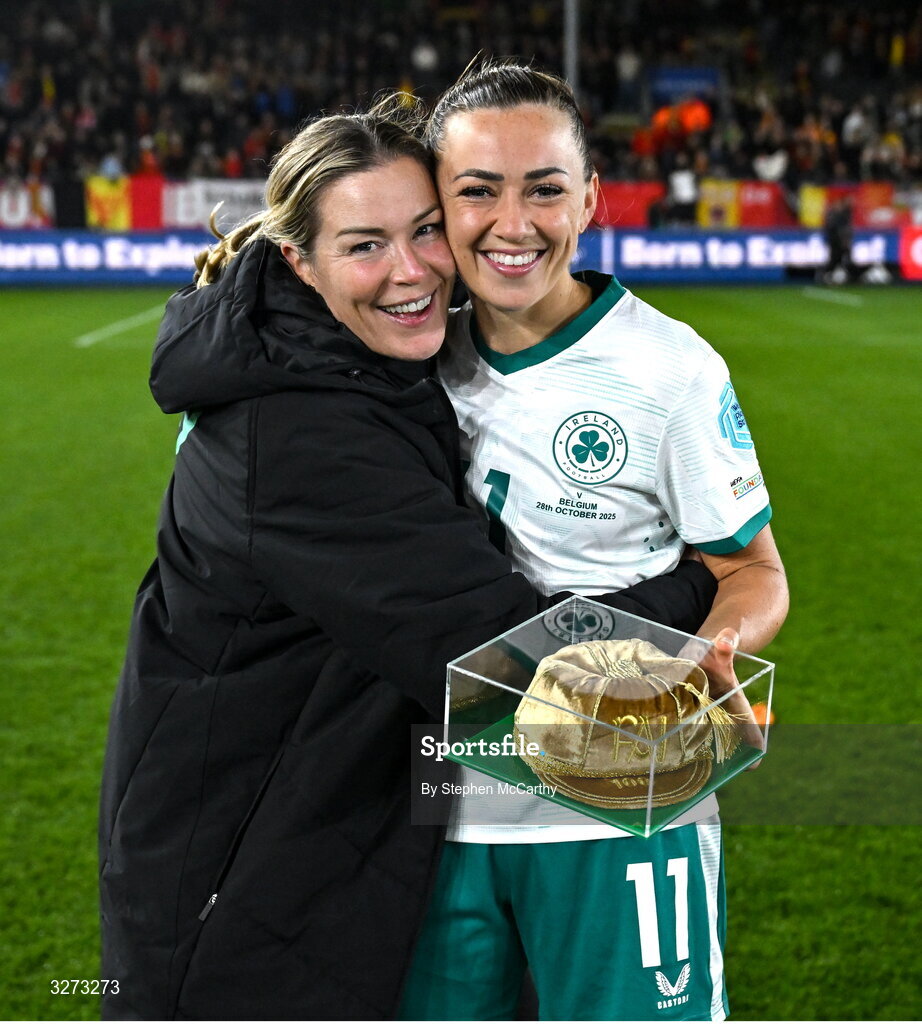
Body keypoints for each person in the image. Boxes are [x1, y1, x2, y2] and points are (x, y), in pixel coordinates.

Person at [98, 96, 719, 1020]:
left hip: (294, 843)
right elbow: (503, 658)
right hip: (237, 900)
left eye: (426, 230)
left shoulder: (333, 361)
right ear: (299, 261)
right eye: (365, 245)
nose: (412, 271)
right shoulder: (300, 433)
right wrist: (703, 577)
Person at [394, 60, 790, 1021]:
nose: (513, 223)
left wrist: (711, 651)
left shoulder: (669, 370)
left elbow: (753, 570)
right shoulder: (406, 355)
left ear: (592, 200)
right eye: (477, 191)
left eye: (545, 189)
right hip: (433, 816)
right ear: (437, 207)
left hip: (622, 810)